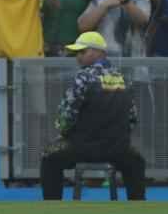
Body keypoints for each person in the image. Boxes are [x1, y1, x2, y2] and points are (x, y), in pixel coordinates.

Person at [39, 30, 146, 201]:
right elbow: (132, 119)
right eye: (76, 53)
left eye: (82, 52)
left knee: (49, 158)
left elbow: (66, 116)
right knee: (137, 161)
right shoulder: (123, 78)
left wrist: (64, 134)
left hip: (82, 148)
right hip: (118, 148)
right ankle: (139, 207)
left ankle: (52, 209)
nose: (78, 57)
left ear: (98, 53)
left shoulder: (83, 77)